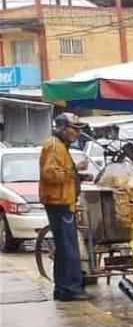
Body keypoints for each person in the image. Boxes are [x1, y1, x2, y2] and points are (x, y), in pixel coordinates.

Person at [39, 113, 90, 301]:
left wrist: (78, 175)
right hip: (58, 203)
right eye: (73, 128)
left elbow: (61, 173)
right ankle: (70, 288)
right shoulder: (53, 145)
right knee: (69, 248)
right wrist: (74, 170)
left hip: (62, 202)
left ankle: (63, 287)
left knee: (64, 247)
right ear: (62, 128)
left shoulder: (60, 146)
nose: (76, 132)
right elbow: (50, 174)